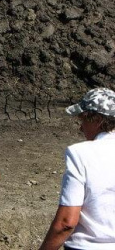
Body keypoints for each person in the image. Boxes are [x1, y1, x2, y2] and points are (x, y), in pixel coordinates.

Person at [39, 87, 115, 250]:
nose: (81, 128)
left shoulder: (81, 153)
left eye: (83, 120)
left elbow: (66, 223)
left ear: (96, 120)